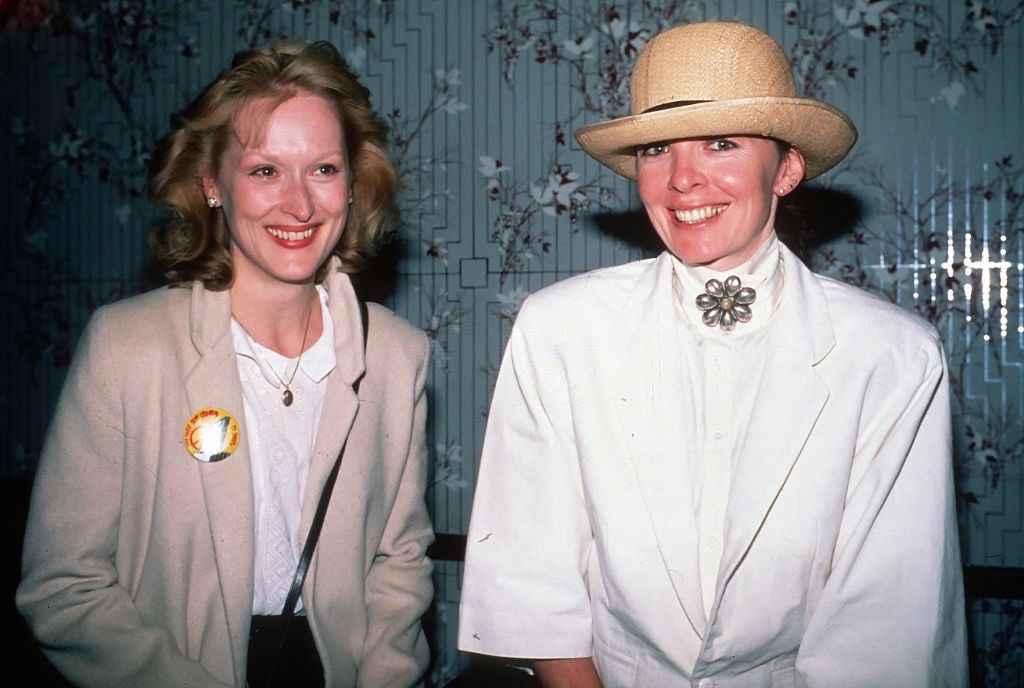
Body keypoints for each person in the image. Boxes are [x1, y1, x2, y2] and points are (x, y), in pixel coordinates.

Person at [458, 21, 967, 687]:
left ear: (787, 168)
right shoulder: (558, 328)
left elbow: (887, 631)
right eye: (657, 149)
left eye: (721, 143)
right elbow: (533, 582)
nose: (682, 180)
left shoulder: (893, 356)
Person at [17, 41, 433, 688]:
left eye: (323, 169)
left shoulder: (397, 356)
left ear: (354, 184)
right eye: (265, 170)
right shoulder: (127, 348)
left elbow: (398, 563)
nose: (299, 205)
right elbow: (64, 588)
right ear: (211, 183)